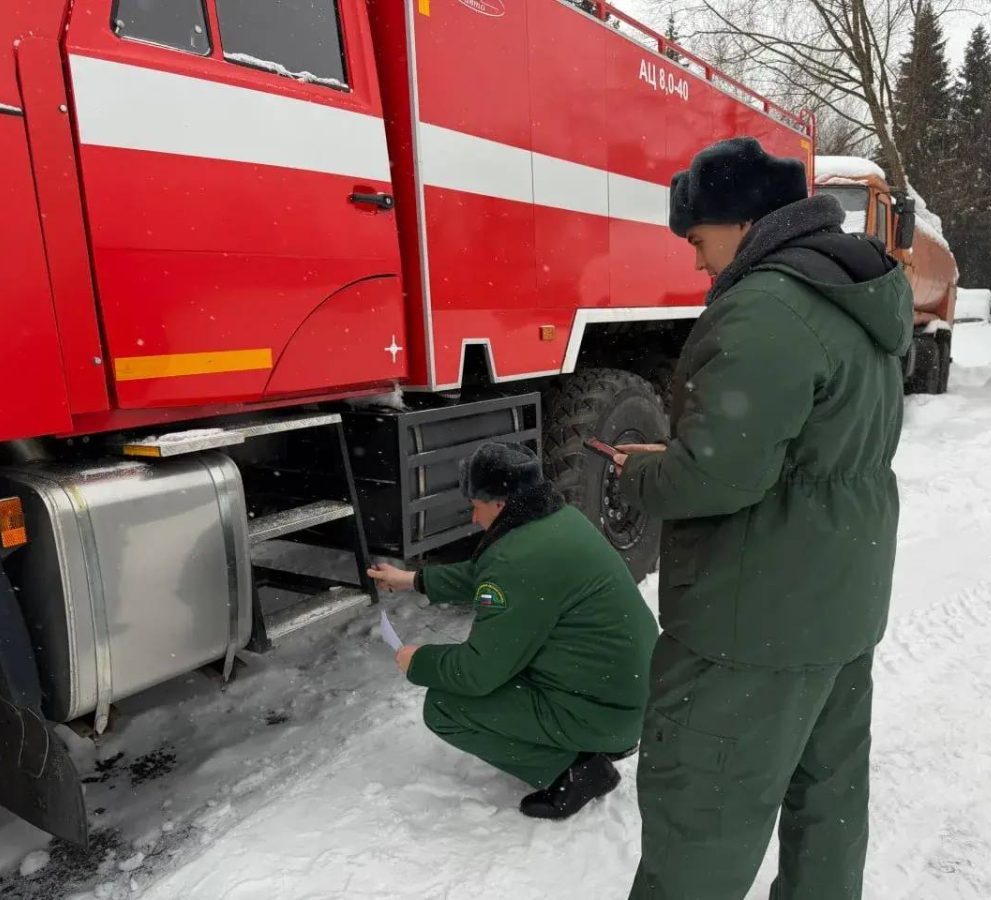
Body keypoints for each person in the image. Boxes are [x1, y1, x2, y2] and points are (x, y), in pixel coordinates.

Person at [614, 138, 914, 898]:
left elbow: (718, 475)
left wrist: (646, 470)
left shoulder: (766, 308)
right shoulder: (855, 297)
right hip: (837, 611)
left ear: (743, 221)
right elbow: (804, 447)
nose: (695, 262)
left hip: (751, 624)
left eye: (697, 239)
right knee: (828, 811)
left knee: (701, 824)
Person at [368, 441, 658, 820]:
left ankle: (577, 772)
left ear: (500, 504)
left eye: (475, 506)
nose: (473, 518)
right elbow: (487, 573)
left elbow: (477, 672)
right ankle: (590, 740)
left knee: (445, 706)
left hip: (606, 711)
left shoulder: (516, 558)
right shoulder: (555, 522)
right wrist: (412, 580)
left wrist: (417, 660)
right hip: (626, 693)